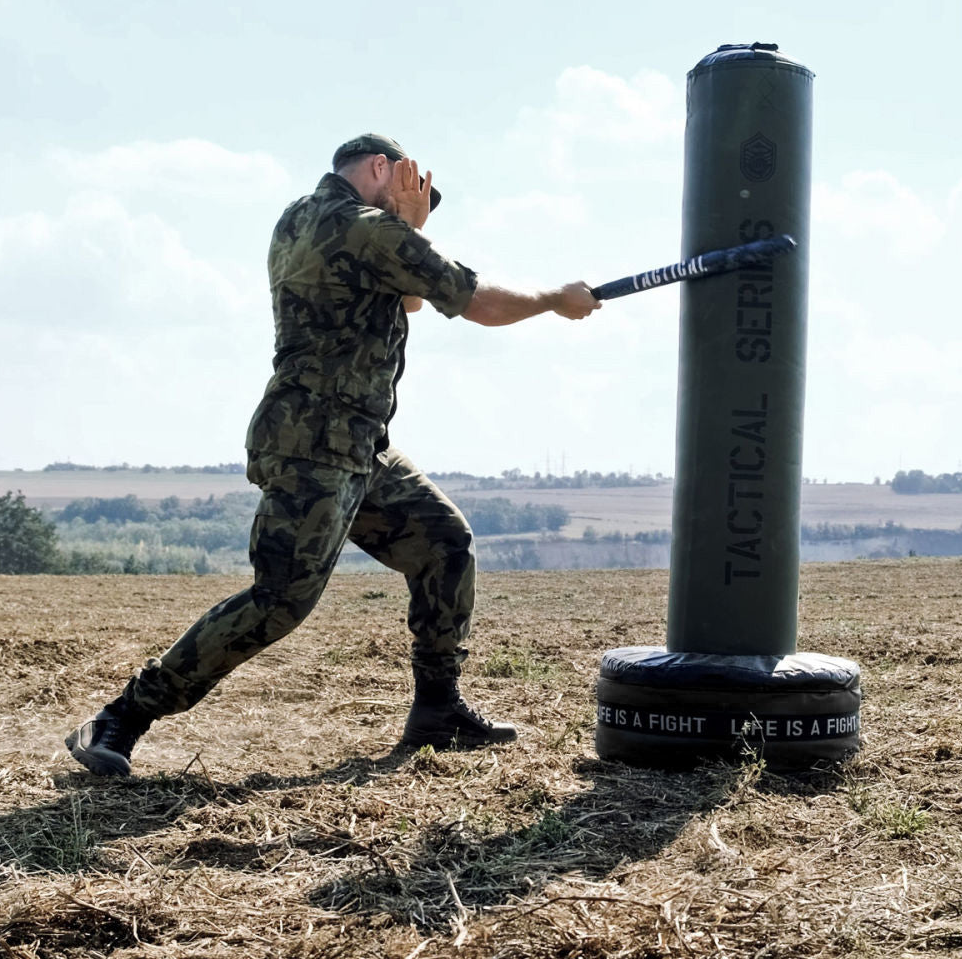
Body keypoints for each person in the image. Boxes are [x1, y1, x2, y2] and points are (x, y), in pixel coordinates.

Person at [65, 133, 602, 777]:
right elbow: (478, 303)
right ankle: (121, 717)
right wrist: (556, 299)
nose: (413, 204)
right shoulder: (366, 228)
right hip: (317, 444)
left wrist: (410, 225)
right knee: (279, 600)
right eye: (409, 189)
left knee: (443, 543)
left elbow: (407, 297)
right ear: (381, 167)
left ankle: (437, 710)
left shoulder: (300, 218)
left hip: (354, 443)